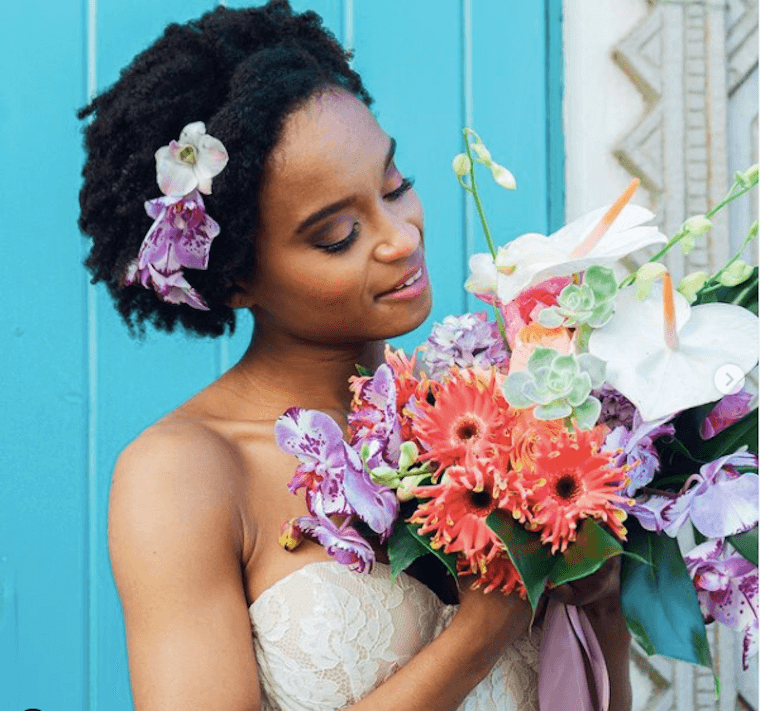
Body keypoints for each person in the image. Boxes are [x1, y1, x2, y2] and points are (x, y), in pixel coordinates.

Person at [77, 2, 632, 709]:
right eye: (338, 234)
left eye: (395, 185)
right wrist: (480, 632)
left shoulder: (491, 419)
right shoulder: (183, 475)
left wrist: (602, 599)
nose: (399, 235)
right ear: (237, 277)